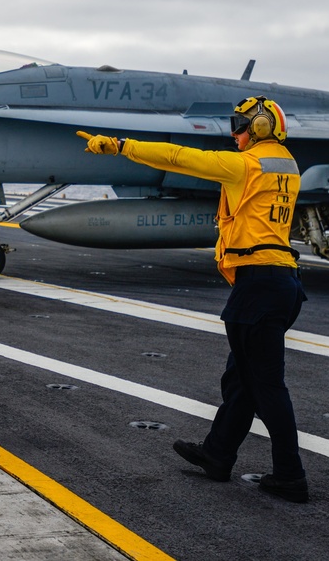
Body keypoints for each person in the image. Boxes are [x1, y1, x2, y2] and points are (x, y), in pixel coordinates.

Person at [78, 95, 309, 503]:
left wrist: (119, 146)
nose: (234, 132)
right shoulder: (287, 164)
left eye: (240, 124)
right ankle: (218, 455)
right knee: (241, 379)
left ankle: (290, 475)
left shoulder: (245, 166)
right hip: (281, 282)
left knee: (266, 386)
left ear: (258, 127)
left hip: (259, 286)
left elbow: (178, 157)